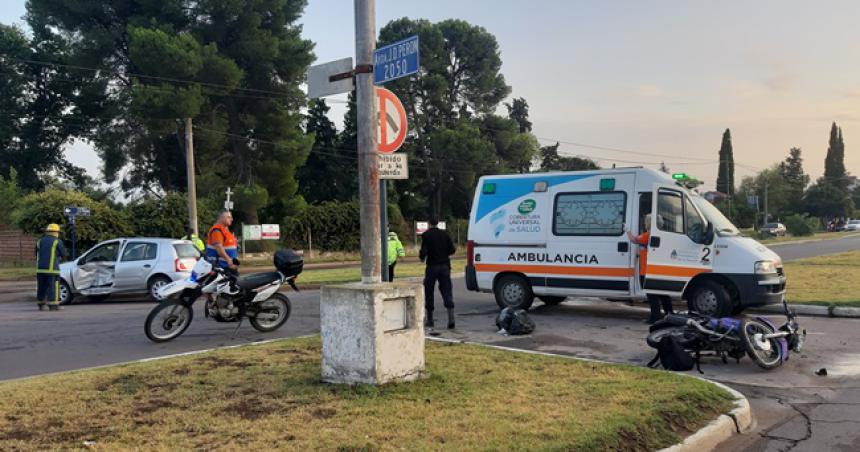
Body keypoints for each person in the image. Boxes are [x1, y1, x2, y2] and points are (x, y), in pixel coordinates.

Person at [627, 214, 673, 323]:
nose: (644, 223)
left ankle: (655, 317)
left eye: (646, 221)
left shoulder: (648, 235)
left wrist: (627, 230)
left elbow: (633, 240)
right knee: (663, 294)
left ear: (650, 223)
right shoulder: (662, 235)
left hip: (647, 270)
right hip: (657, 269)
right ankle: (669, 314)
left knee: (652, 296)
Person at [419, 219, 456, 329]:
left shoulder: (426, 235)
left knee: (429, 290)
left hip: (432, 266)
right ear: (438, 223)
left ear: (429, 223)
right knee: (446, 290)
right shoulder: (445, 234)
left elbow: (424, 251)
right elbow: (452, 250)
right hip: (445, 266)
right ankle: (451, 318)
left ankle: (430, 319)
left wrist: (422, 258)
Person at [35, 223, 68, 311]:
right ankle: (53, 305)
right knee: (53, 286)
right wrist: (62, 259)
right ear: (56, 232)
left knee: (41, 287)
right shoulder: (57, 241)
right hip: (52, 270)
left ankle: (41, 304)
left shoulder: (39, 241)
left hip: (40, 269)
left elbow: (36, 254)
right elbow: (64, 254)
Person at [206, 210, 239, 277]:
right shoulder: (217, 231)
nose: (232, 219)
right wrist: (229, 260)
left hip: (227, 267)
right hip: (222, 268)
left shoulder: (225, 231)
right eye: (228, 217)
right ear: (221, 218)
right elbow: (219, 248)